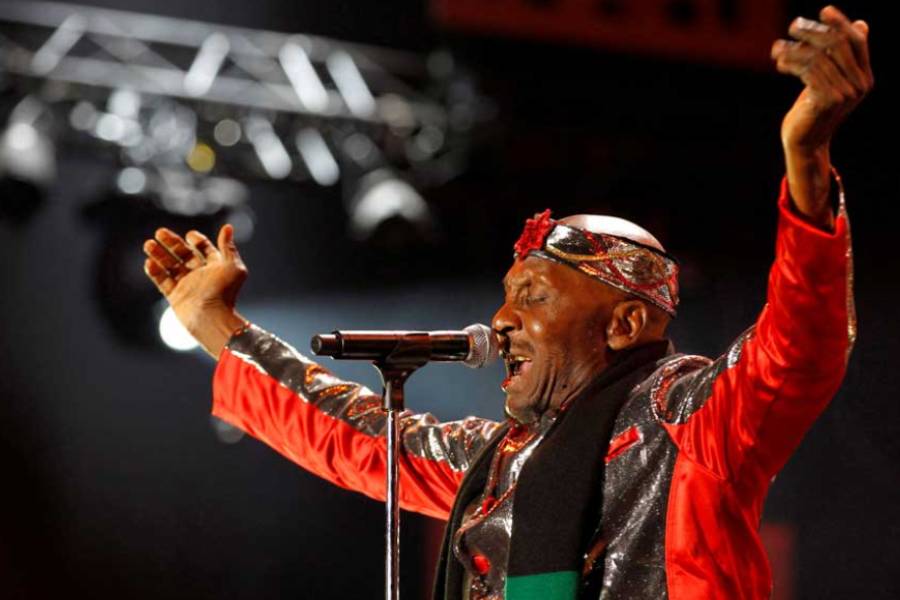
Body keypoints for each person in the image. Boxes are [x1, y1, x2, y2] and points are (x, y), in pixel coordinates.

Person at [142, 6, 872, 599]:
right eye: (504, 296)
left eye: (533, 295)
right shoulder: (493, 460)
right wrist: (216, 324)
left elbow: (797, 348)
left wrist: (806, 164)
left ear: (624, 323)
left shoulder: (692, 421)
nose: (500, 321)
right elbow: (347, 431)